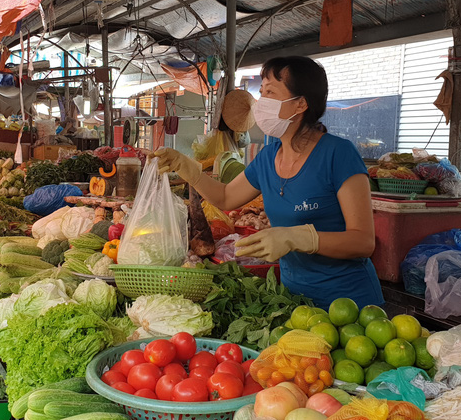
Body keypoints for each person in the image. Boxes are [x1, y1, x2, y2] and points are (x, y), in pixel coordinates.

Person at [154, 56, 384, 309]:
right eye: (261, 92)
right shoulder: (268, 157)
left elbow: (363, 242)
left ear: (301, 104)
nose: (260, 102)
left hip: (350, 305)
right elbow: (226, 198)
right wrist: (188, 169)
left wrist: (300, 238)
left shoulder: (338, 154)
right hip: (293, 301)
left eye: (270, 92)